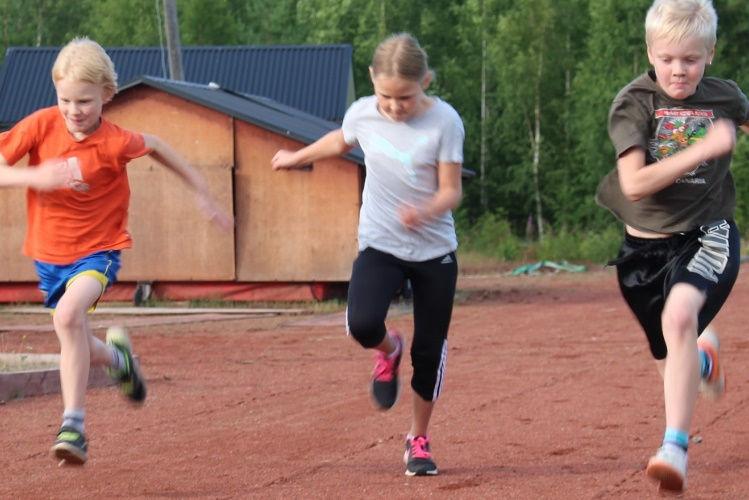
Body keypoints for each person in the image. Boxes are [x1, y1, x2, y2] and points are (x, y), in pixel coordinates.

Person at [0, 37, 232, 465]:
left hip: (98, 250)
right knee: (76, 335)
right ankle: (119, 358)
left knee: (69, 318)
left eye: (85, 101)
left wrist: (203, 193)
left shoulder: (115, 142)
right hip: (49, 255)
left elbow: (159, 145)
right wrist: (33, 178)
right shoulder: (38, 126)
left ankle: (74, 426)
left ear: (107, 95)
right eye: (65, 99)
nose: (74, 110)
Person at [272, 33, 464, 476]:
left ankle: (418, 439)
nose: (395, 107)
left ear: (426, 83)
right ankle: (387, 348)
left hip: (434, 250)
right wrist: (297, 156)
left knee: (429, 349)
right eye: (386, 96)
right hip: (380, 241)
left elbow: (451, 190)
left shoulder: (445, 122)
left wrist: (426, 208)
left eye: (406, 97)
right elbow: (341, 140)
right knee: (361, 323)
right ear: (373, 80)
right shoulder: (362, 111)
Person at [596, 0, 749, 493]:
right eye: (667, 59)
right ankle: (705, 361)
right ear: (650, 52)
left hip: (707, 232)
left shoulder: (725, 97)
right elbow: (635, 184)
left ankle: (674, 448)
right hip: (641, 254)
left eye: (690, 59)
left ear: (710, 54)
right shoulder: (634, 102)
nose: (678, 70)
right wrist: (702, 149)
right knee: (672, 357)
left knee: (680, 318)